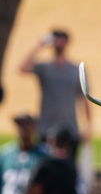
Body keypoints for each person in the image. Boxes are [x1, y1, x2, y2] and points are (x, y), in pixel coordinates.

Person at [19, 29, 92, 158]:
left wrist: (87, 126)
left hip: (70, 128)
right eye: (56, 39)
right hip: (45, 128)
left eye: (62, 39)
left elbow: (85, 98)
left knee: (68, 170)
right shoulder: (44, 68)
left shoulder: (76, 70)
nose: (59, 43)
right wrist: (39, 46)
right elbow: (23, 68)